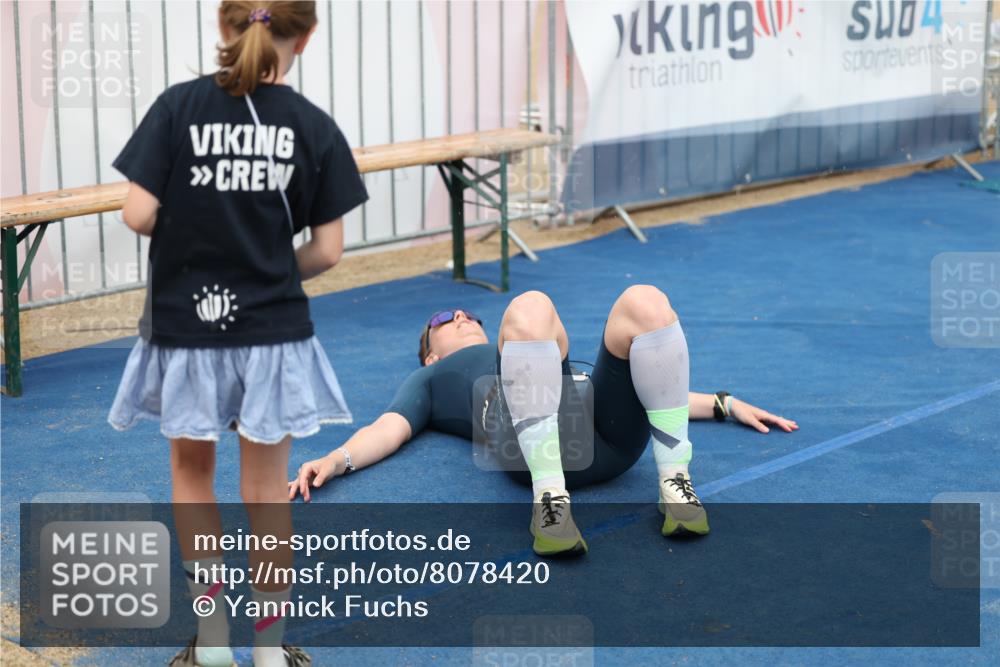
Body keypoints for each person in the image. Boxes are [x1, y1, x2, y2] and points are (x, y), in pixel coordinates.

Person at [107, 3, 368, 666]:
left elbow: (137, 212)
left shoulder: (177, 107)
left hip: (185, 327)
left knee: (192, 475)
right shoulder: (314, 127)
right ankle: (271, 650)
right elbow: (330, 250)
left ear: (225, 27)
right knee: (265, 491)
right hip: (272, 329)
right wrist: (271, 265)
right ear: (305, 35)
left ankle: (214, 641)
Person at [290, 286, 797, 557]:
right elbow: (388, 428)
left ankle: (676, 483)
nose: (461, 318)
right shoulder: (430, 378)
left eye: (468, 314)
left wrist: (725, 403)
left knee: (645, 302)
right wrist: (337, 459)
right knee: (530, 306)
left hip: (611, 437)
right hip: (532, 448)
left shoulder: (523, 344)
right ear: (428, 354)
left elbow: (651, 385)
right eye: (444, 320)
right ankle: (551, 504)